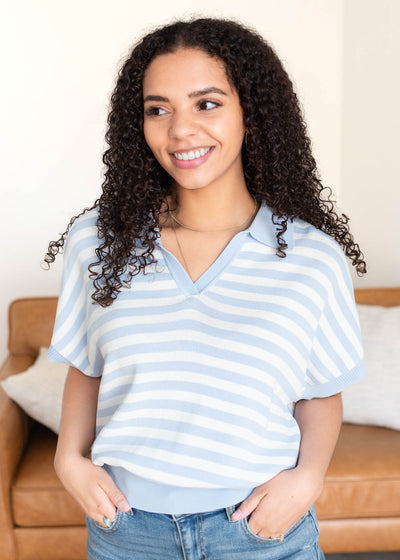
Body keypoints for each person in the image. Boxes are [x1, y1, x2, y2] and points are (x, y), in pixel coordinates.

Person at [45, 17, 367, 560]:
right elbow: (87, 366)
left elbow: (320, 390)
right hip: (127, 532)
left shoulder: (311, 256)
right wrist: (67, 460)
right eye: (158, 108)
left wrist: (308, 479)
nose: (180, 131)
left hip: (261, 532)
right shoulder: (100, 242)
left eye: (207, 103)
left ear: (251, 113)